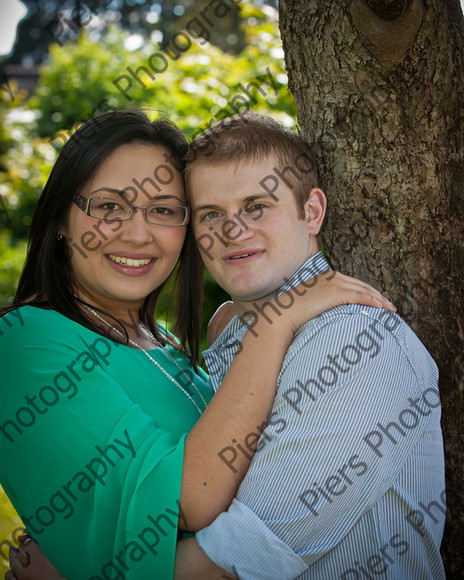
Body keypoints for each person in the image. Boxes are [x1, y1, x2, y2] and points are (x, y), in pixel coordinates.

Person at [0, 110, 392, 580]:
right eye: (108, 207)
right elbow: (187, 501)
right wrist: (278, 320)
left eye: (163, 210)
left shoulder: (165, 346)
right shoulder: (25, 339)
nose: (138, 233)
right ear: (62, 216)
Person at [173, 112, 446, 579]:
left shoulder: (356, 342)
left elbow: (235, 558)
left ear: (312, 211)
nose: (233, 231)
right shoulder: (229, 333)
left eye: (256, 206)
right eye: (211, 214)